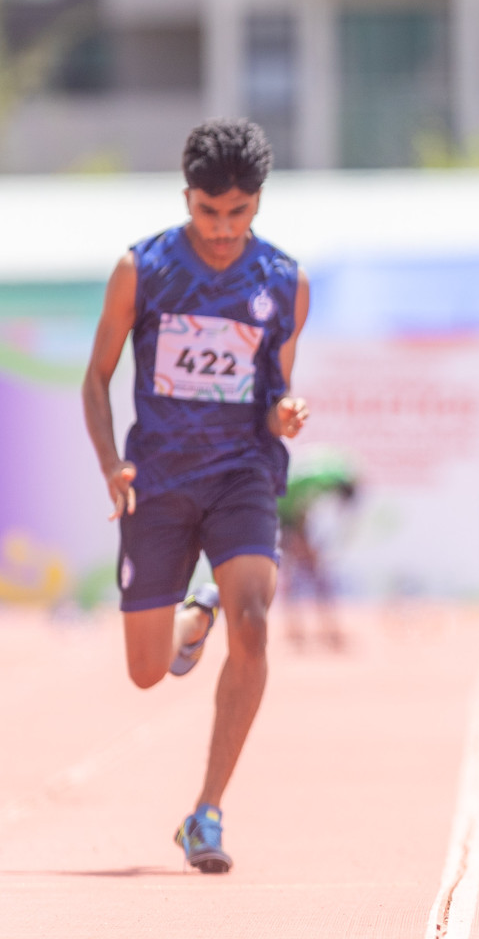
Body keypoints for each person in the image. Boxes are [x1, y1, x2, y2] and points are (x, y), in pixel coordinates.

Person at [81, 118, 310, 872]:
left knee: (255, 619)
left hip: (242, 471)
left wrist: (284, 413)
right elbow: (97, 375)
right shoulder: (141, 268)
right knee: (146, 673)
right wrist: (112, 460)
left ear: (257, 204)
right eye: (208, 213)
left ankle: (206, 812)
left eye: (237, 213)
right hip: (160, 480)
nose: (221, 229)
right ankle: (195, 610)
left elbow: (276, 386)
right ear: (187, 198)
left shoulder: (281, 280)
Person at [277, 457, 357, 650]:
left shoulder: (327, 476)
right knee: (307, 574)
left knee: (306, 573)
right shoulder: (323, 483)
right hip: (285, 516)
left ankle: (306, 630)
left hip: (288, 515)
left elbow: (301, 504)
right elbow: (295, 505)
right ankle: (305, 630)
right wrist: (301, 540)